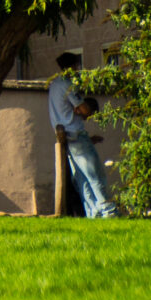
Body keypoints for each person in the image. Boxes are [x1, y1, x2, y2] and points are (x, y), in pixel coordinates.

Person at [49, 52, 115, 218]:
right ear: (72, 66)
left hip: (67, 137)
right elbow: (85, 110)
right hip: (77, 135)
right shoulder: (67, 84)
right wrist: (84, 109)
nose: (79, 69)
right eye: (77, 66)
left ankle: (93, 213)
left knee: (82, 179)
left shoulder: (54, 84)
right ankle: (109, 211)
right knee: (95, 175)